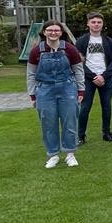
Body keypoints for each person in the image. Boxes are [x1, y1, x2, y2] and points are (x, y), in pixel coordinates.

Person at [27, 20, 85, 168]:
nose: (53, 33)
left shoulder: (70, 49)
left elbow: (78, 71)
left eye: (56, 30)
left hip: (67, 88)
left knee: (69, 122)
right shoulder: (36, 51)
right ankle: (53, 155)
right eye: (50, 30)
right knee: (48, 123)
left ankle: (70, 154)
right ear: (44, 32)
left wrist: (81, 90)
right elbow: (31, 74)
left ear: (61, 33)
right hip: (45, 90)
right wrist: (33, 95)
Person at [76, 11, 112, 144]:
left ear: (103, 24)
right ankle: (80, 136)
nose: (96, 24)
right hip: (88, 79)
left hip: (106, 78)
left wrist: (104, 76)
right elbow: (78, 63)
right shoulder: (81, 41)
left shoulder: (109, 41)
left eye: (99, 22)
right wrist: (94, 76)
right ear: (88, 23)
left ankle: (107, 133)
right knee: (85, 107)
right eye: (93, 22)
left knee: (106, 106)